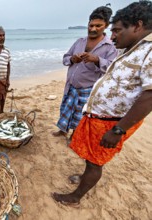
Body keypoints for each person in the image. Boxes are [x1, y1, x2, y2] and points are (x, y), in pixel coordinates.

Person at [52, 0, 152, 207]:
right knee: (91, 156)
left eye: (116, 30)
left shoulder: (148, 52)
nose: (113, 35)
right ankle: (84, 175)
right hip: (98, 115)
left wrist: (118, 130)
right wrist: (74, 59)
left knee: (96, 160)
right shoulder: (132, 49)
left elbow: (149, 94)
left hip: (111, 122)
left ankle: (75, 197)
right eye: (92, 24)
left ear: (138, 25)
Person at [52, 5, 117, 139]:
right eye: (91, 25)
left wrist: (97, 59)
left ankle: (75, 136)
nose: (93, 29)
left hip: (88, 89)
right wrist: (72, 59)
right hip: (71, 85)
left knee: (80, 115)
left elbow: (112, 68)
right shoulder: (79, 42)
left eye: (98, 26)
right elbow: (65, 58)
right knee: (66, 109)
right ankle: (63, 131)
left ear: (106, 26)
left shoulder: (110, 46)